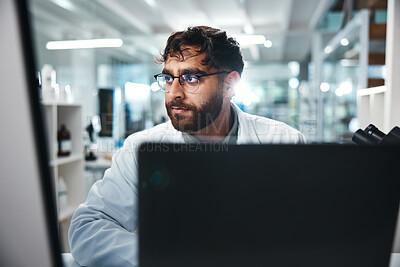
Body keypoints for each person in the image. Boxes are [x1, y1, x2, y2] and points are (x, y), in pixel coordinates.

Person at [68, 26, 306, 266]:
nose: (174, 93)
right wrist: (164, 258)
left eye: (190, 78)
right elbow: (87, 227)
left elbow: (311, 231)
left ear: (229, 84)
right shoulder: (141, 147)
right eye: (169, 78)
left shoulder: (283, 141)